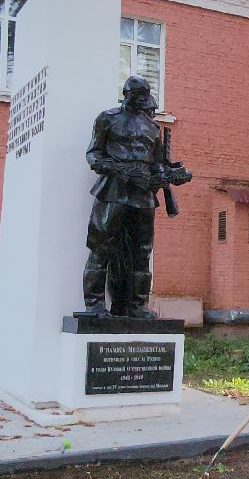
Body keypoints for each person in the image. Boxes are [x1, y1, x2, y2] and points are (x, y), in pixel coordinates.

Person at [80, 75, 192, 318]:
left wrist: (170, 176)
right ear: (126, 93)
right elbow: (93, 155)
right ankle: (95, 304)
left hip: (143, 195)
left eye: (145, 95)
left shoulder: (152, 127)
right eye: (138, 94)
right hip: (114, 191)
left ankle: (137, 305)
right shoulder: (107, 118)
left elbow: (157, 163)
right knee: (101, 247)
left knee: (142, 252)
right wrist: (118, 169)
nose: (142, 99)